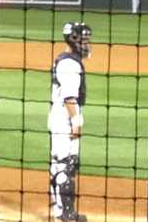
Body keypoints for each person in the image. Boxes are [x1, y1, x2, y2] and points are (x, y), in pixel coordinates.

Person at [49, 21, 92, 222]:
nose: (86, 44)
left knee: (65, 164)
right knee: (64, 164)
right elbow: (69, 97)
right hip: (63, 118)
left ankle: (60, 210)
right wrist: (76, 121)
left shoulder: (69, 60)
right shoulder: (70, 63)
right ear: (74, 40)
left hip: (61, 116)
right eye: (84, 40)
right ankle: (64, 213)